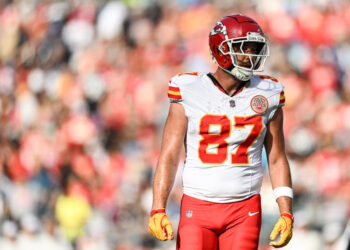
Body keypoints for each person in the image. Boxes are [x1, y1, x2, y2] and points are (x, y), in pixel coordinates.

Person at [148, 14, 293, 250]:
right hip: (198, 205)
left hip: (244, 209)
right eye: (242, 48)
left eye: (254, 48)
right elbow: (169, 155)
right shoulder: (190, 89)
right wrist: (158, 207)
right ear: (221, 49)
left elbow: (276, 158)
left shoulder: (268, 93)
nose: (250, 56)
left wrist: (286, 212)